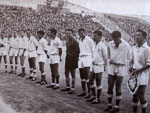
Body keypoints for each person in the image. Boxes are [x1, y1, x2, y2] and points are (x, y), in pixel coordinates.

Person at [104, 31, 131, 113]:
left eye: (117, 39)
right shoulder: (110, 44)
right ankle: (109, 104)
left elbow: (129, 58)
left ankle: (117, 106)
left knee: (118, 87)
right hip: (112, 67)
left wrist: (121, 62)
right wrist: (110, 61)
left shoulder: (126, 45)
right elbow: (108, 55)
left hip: (121, 68)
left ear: (120, 37)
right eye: (114, 39)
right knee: (110, 86)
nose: (115, 41)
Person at [130, 29, 150, 113]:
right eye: (136, 35)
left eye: (139, 35)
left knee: (141, 95)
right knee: (134, 95)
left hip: (143, 74)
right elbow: (131, 60)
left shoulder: (147, 49)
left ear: (144, 37)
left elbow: (149, 64)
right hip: (134, 74)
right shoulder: (133, 47)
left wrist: (138, 70)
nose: (136, 37)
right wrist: (131, 67)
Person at [87, 30, 107, 104]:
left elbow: (105, 57)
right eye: (93, 36)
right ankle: (94, 96)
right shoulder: (95, 44)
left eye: (95, 36)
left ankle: (98, 98)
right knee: (90, 81)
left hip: (99, 66)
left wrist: (105, 65)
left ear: (100, 36)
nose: (93, 37)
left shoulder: (102, 46)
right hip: (93, 65)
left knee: (98, 82)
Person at [77, 28, 95, 98]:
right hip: (81, 58)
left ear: (84, 32)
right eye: (79, 33)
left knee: (87, 75)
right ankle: (84, 91)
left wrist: (92, 59)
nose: (80, 35)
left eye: (81, 33)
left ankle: (89, 92)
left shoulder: (89, 40)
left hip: (87, 57)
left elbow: (93, 50)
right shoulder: (80, 40)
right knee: (82, 76)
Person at [61, 29, 80, 94]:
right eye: (67, 33)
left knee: (73, 74)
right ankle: (68, 87)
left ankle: (73, 88)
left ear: (72, 34)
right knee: (66, 72)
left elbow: (78, 52)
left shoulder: (75, 42)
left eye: (69, 33)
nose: (68, 34)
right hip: (68, 58)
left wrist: (75, 59)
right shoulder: (67, 41)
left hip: (73, 59)